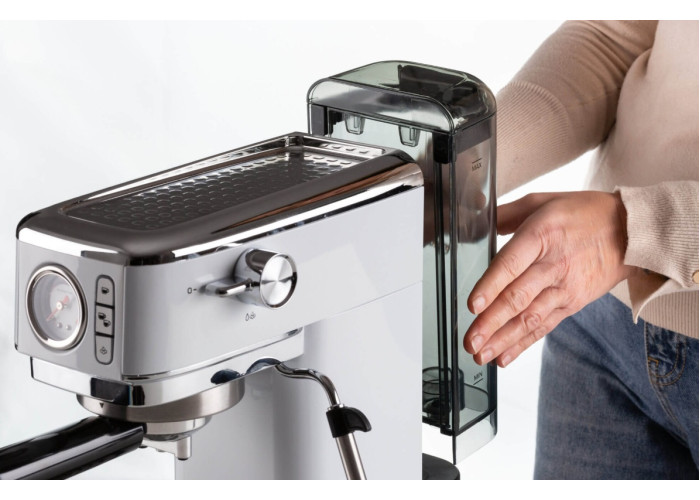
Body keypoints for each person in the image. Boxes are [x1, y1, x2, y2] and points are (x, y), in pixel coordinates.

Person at [462, 20, 698, 479]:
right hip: (600, 317)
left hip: (612, 254)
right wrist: (469, 165)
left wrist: (633, 230)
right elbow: (612, 38)